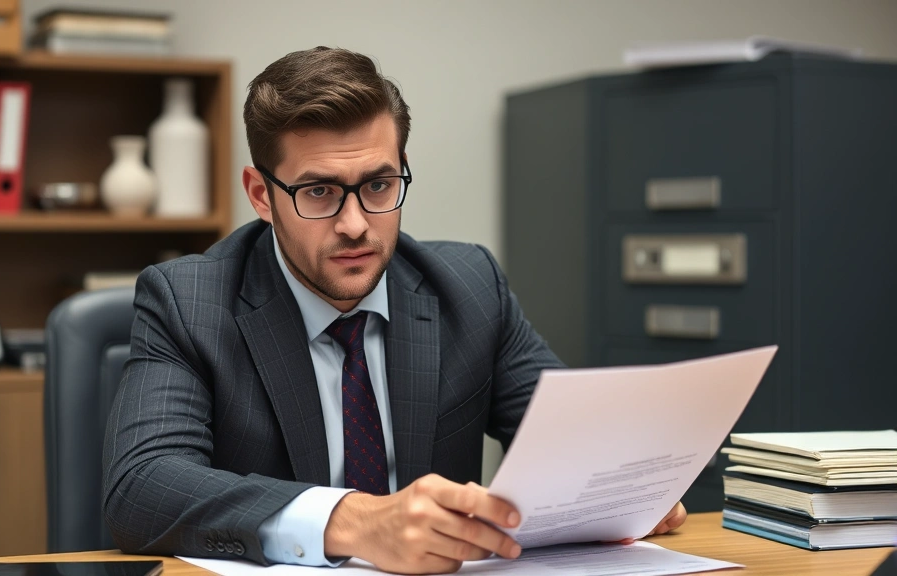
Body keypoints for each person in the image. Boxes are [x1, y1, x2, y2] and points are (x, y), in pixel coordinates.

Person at [102, 46, 686, 574]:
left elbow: (573, 442)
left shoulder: (469, 287)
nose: (356, 224)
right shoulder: (189, 302)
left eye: (378, 185)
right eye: (319, 192)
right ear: (262, 194)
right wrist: (354, 522)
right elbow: (141, 487)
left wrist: (622, 488)